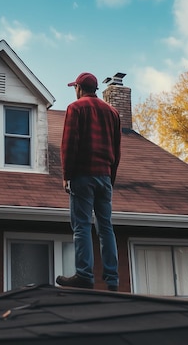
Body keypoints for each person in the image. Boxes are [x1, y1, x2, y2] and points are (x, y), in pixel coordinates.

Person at [56, 72, 121, 292]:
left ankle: (84, 275)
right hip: (104, 176)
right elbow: (117, 149)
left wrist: (67, 175)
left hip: (83, 175)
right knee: (106, 227)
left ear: (79, 88)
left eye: (75, 87)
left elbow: (69, 144)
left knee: (81, 225)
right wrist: (110, 178)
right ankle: (112, 279)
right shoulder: (113, 113)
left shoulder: (75, 109)